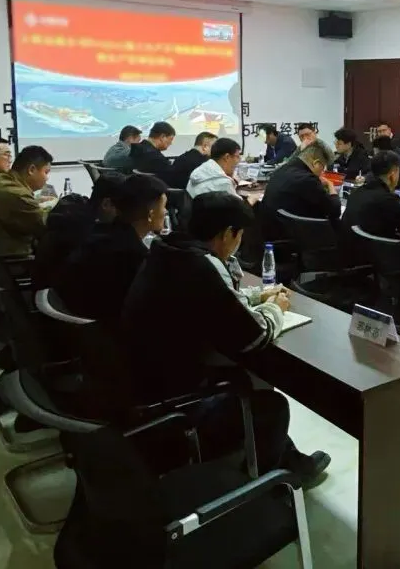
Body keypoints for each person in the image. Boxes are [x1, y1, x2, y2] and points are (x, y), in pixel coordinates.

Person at [121, 192, 330, 482]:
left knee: (250, 376)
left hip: (141, 379)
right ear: (228, 233)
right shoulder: (201, 265)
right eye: (240, 234)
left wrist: (257, 295)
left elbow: (211, 299)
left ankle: (286, 459)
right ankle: (273, 486)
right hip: (173, 398)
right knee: (271, 404)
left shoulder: (169, 250)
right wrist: (275, 306)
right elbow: (255, 336)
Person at [55, 173, 167, 327]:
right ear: (150, 214)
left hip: (78, 322)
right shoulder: (131, 256)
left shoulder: (99, 234)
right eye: (164, 206)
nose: (166, 212)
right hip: (106, 330)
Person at [33, 173, 125, 289]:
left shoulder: (74, 212)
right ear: (106, 204)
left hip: (49, 290)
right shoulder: (86, 234)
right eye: (124, 208)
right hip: (62, 293)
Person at [259, 139, 340, 241]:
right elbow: (335, 210)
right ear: (316, 163)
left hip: (271, 233)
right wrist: (330, 185)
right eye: (323, 167)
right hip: (292, 237)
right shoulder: (308, 180)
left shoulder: (281, 170)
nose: (322, 172)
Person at [342, 150, 400, 251]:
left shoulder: (356, 193)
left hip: (351, 253)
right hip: (380, 256)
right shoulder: (389, 200)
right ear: (393, 174)